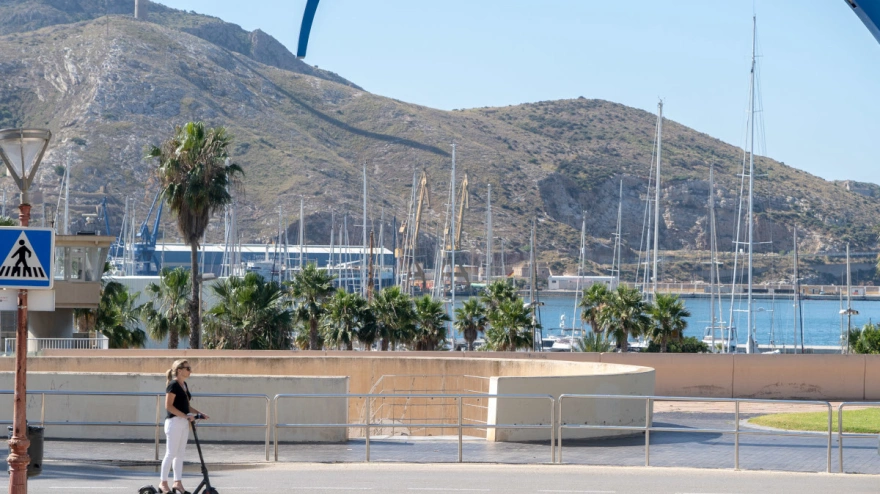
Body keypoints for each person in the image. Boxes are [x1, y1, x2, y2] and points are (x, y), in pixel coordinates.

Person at [159, 359, 209, 494]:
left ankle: (177, 482)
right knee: (171, 453)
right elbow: (168, 406)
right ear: (179, 370)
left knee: (180, 454)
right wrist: (185, 416)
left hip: (183, 423)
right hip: (174, 422)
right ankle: (163, 483)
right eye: (187, 368)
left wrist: (199, 413)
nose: (190, 370)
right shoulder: (173, 385)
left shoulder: (184, 385)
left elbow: (186, 406)